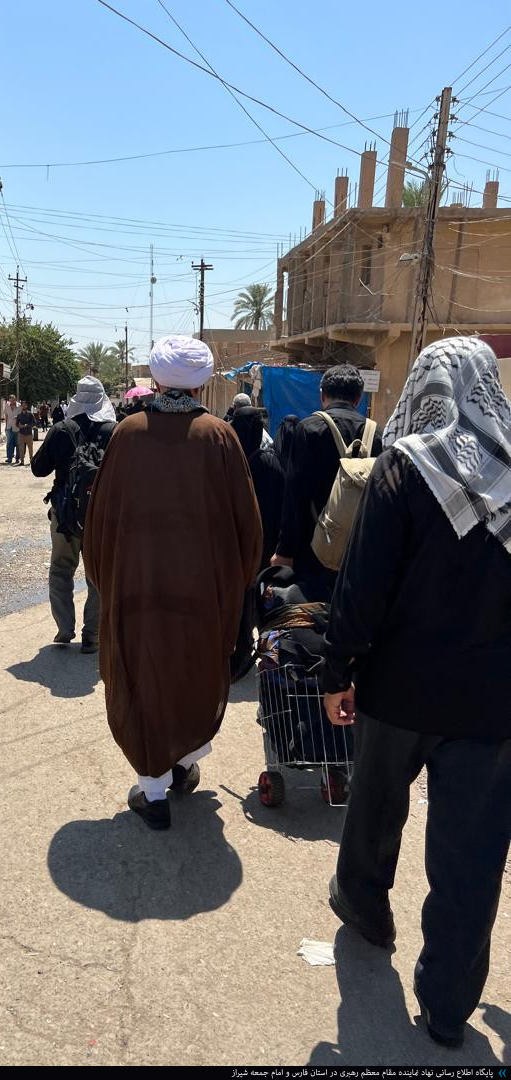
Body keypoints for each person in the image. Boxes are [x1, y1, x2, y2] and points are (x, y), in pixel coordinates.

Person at [322, 337, 511, 1049]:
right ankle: (448, 1006)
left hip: (397, 689)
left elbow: (362, 583)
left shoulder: (404, 465)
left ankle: (365, 910)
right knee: (472, 856)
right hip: (492, 705)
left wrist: (337, 670)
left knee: (374, 810)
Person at [84, 335, 262, 830]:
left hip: (137, 591)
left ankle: (155, 790)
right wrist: (236, 582)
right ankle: (179, 765)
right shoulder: (219, 436)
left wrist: (105, 575)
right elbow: (247, 526)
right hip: (202, 595)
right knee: (192, 672)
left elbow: (101, 520)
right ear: (202, 384)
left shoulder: (128, 434)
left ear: (157, 380)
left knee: (143, 678)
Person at [272, 364, 383, 594]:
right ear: (358, 398)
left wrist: (284, 551)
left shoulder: (309, 429)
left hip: (314, 550)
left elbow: (295, 495)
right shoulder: (377, 435)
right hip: (359, 551)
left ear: (322, 395)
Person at [32, 376, 116, 653]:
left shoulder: (61, 429)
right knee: (98, 574)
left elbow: (38, 469)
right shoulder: (114, 431)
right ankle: (92, 635)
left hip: (65, 515)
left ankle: (64, 627)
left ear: (76, 398)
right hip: (102, 515)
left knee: (61, 569)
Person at [229, 405, 285, 680]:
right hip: (266, 546)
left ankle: (236, 655)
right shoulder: (271, 462)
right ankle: (267, 657)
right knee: (265, 603)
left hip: (236, 547)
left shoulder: (231, 461)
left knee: (238, 603)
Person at [16, 399, 35, 466]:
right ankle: (22, 461)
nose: (23, 406)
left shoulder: (30, 414)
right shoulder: (19, 415)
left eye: (25, 405)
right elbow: (16, 424)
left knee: (30, 449)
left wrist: (27, 425)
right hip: (21, 433)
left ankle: (31, 461)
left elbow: (34, 423)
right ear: (21, 406)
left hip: (29, 434)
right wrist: (19, 426)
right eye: (22, 405)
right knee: (21, 449)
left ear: (26, 406)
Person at [3, 393, 20, 465]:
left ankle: (17, 458)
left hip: (17, 427)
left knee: (18, 443)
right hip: (9, 427)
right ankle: (9, 457)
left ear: (15, 400)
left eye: (13, 400)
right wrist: (6, 426)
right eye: (10, 400)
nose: (12, 402)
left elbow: (21, 417)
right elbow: (6, 415)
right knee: (9, 443)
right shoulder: (7, 405)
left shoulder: (19, 406)